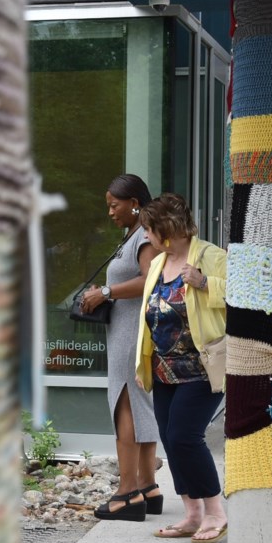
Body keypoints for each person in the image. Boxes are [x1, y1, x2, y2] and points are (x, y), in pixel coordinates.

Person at [134, 193, 228, 543]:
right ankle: (191, 514)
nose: (145, 236)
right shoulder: (160, 263)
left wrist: (205, 282)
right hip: (163, 371)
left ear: (166, 229)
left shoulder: (211, 257)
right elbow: (151, 314)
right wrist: (143, 363)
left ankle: (216, 513)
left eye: (148, 229)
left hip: (200, 369)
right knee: (172, 443)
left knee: (184, 438)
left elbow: (243, 298)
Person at [79, 174, 160, 521]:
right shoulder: (135, 234)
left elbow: (149, 280)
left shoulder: (143, 236)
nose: (110, 212)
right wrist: (106, 290)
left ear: (135, 203)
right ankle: (148, 487)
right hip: (129, 330)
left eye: (115, 205)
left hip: (130, 333)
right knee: (140, 405)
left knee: (124, 404)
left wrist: (106, 293)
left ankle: (126, 492)